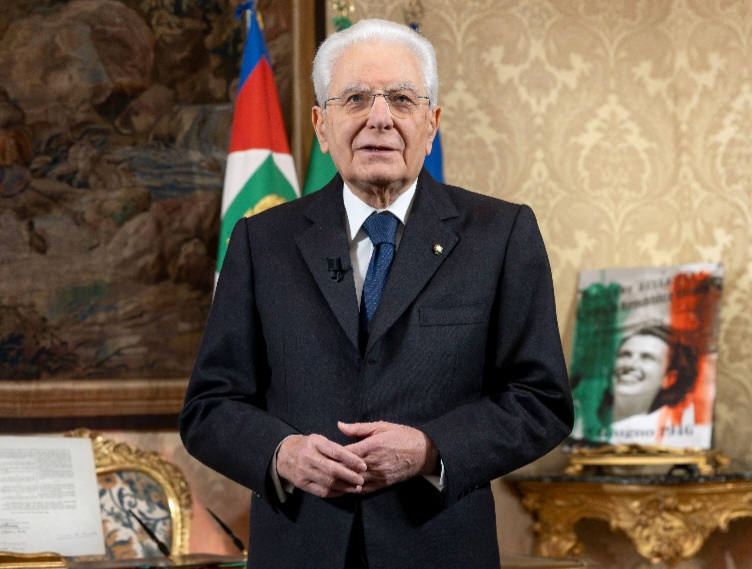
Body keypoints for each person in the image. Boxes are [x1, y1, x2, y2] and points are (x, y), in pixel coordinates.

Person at [179, 18, 573, 569]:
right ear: (322, 125)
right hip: (300, 550)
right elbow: (209, 407)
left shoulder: (502, 235)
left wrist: (431, 449)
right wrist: (282, 454)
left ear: (431, 124)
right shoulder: (260, 241)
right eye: (356, 99)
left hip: (439, 550)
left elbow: (541, 400)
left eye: (402, 99)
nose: (380, 118)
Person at [607, 324, 699, 444]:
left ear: (669, 378)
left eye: (647, 358)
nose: (630, 365)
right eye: (625, 355)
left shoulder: (677, 438)